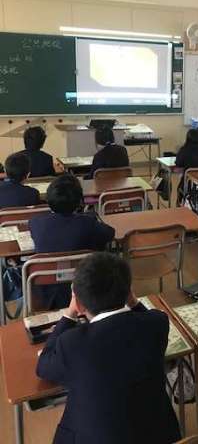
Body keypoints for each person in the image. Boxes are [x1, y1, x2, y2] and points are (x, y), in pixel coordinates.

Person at [37, 252, 181, 444]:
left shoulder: (72, 343)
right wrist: (133, 301)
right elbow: (147, 317)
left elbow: (43, 366)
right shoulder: (157, 323)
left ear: (78, 303)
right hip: (161, 435)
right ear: (129, 291)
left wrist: (69, 314)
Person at [29, 174, 115, 309]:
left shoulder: (35, 222)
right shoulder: (88, 223)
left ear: (48, 199)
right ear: (79, 201)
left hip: (46, 295)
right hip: (87, 290)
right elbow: (110, 233)